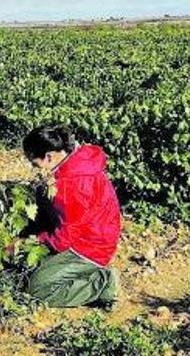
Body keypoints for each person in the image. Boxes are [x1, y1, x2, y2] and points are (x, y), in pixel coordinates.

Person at [21, 125, 121, 308]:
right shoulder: (76, 161)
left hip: (91, 245)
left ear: (49, 157)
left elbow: (63, 239)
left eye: (35, 164)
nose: (34, 169)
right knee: (33, 267)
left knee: (37, 289)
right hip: (92, 232)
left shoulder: (72, 185)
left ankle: (102, 283)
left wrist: (30, 241)